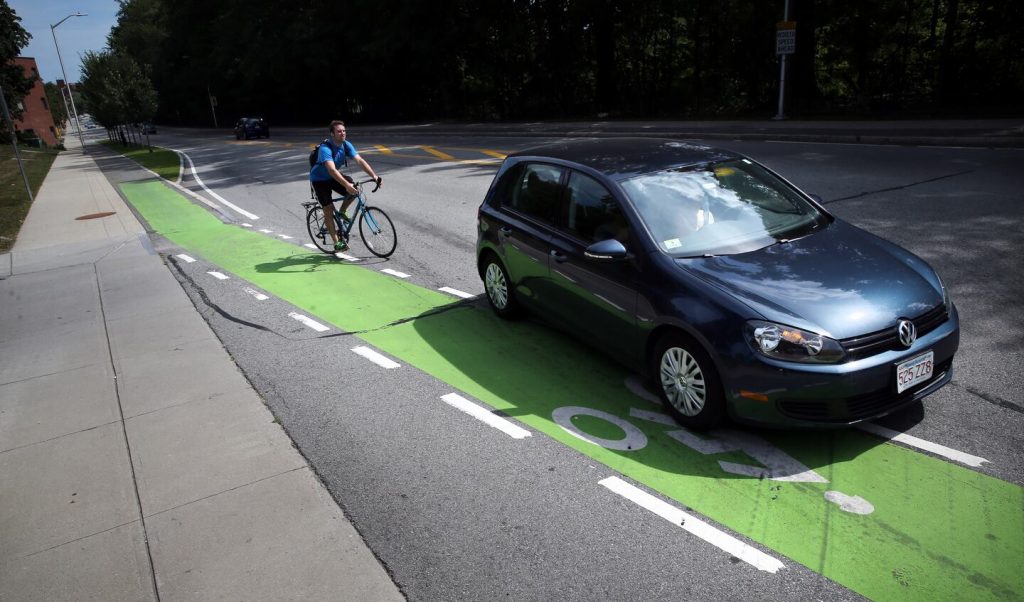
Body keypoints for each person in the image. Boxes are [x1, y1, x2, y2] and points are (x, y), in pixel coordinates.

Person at [309, 120, 382, 251]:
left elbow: (360, 160)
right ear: (332, 134)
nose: (342, 133)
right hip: (319, 180)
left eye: (344, 130)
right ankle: (337, 242)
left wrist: (374, 176)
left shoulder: (346, 145)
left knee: (355, 189)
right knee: (328, 209)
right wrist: (346, 185)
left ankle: (342, 211)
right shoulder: (326, 148)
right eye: (339, 131)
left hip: (332, 177)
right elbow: (331, 170)